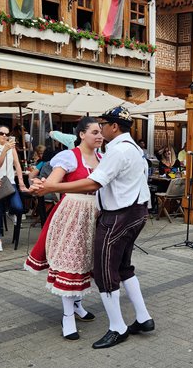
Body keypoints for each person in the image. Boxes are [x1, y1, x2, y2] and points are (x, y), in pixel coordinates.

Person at [32, 106, 153, 349]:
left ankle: (117, 328)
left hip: (118, 215)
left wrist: (50, 188)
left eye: (103, 127)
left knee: (104, 272)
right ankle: (143, 317)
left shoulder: (116, 151)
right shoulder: (133, 148)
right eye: (95, 130)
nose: (101, 132)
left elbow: (93, 183)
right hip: (136, 211)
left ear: (114, 127)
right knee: (123, 267)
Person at [25, 118, 103, 340]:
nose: (99, 136)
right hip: (72, 213)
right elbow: (52, 183)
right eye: (95, 132)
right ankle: (67, 316)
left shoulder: (102, 157)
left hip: (94, 213)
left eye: (101, 133)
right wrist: (40, 184)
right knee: (71, 262)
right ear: (81, 134)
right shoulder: (69, 156)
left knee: (85, 263)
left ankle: (77, 305)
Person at [0, 125, 27, 252]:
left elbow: (17, 165)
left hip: (10, 182)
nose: (4, 136)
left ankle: (10, 212)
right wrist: (5, 150)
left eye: (6, 134)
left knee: (18, 207)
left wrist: (20, 182)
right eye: (2, 133)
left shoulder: (11, 147)